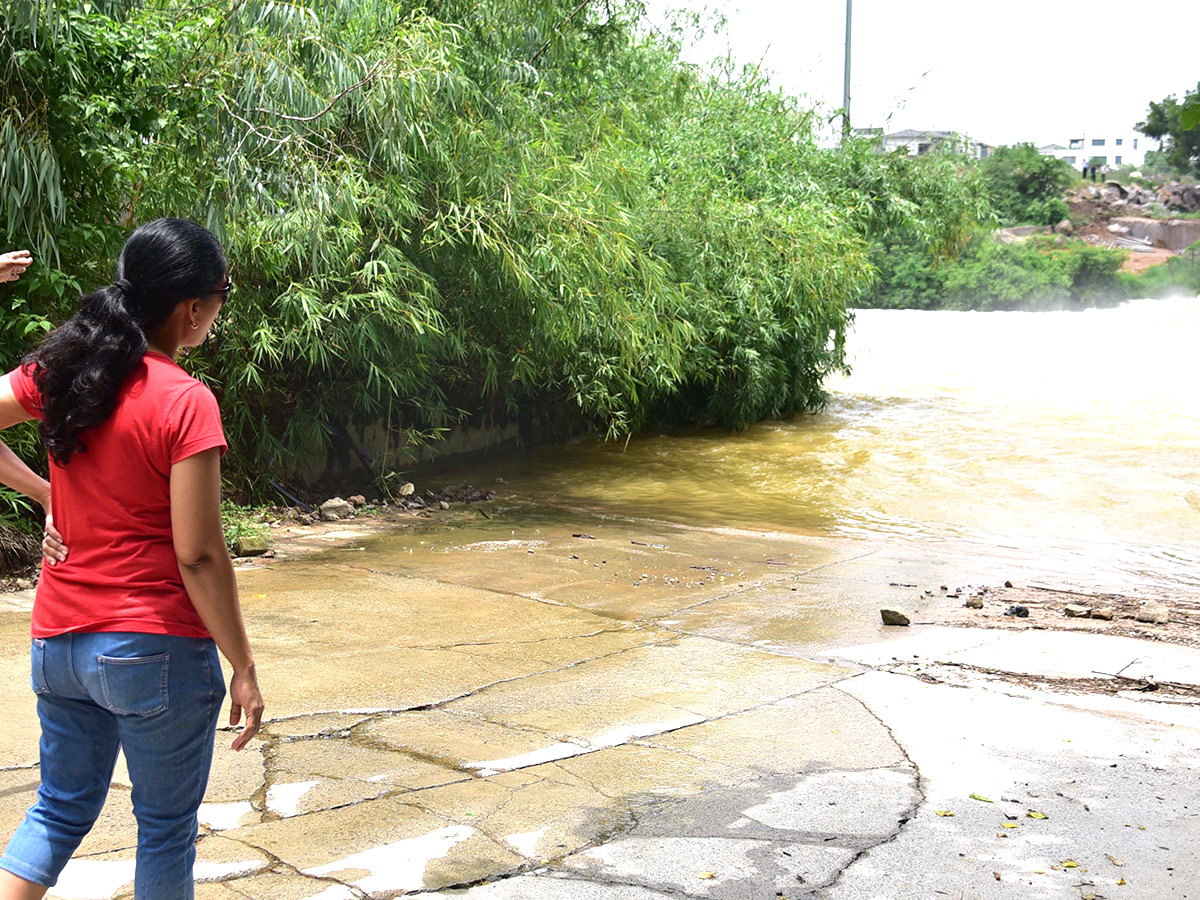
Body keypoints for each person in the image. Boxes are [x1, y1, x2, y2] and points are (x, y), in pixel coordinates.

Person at [0, 219, 264, 900]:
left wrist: (46, 493)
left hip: (57, 642)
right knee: (166, 829)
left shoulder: (62, 369)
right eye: (221, 296)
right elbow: (200, 555)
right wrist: (243, 663)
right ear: (192, 307)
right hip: (152, 649)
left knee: (58, 809)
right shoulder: (185, 401)